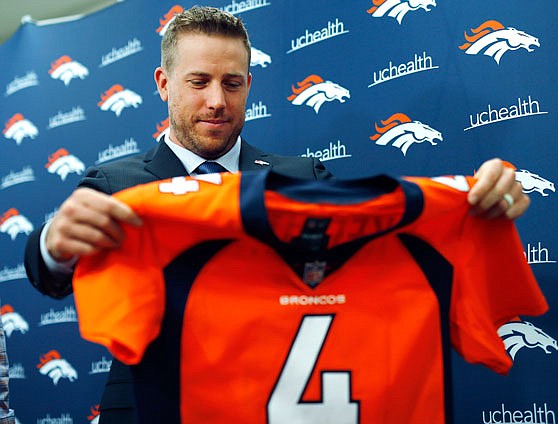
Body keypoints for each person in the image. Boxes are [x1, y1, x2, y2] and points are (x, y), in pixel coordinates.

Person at [24, 6, 528, 423]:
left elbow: (378, 250)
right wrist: (55, 242)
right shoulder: (116, 184)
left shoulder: (303, 177)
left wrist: (475, 206)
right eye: (198, 82)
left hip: (281, 404)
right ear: (163, 83)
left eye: (233, 83)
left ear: (250, 84)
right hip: (154, 406)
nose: (217, 101)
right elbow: (47, 275)